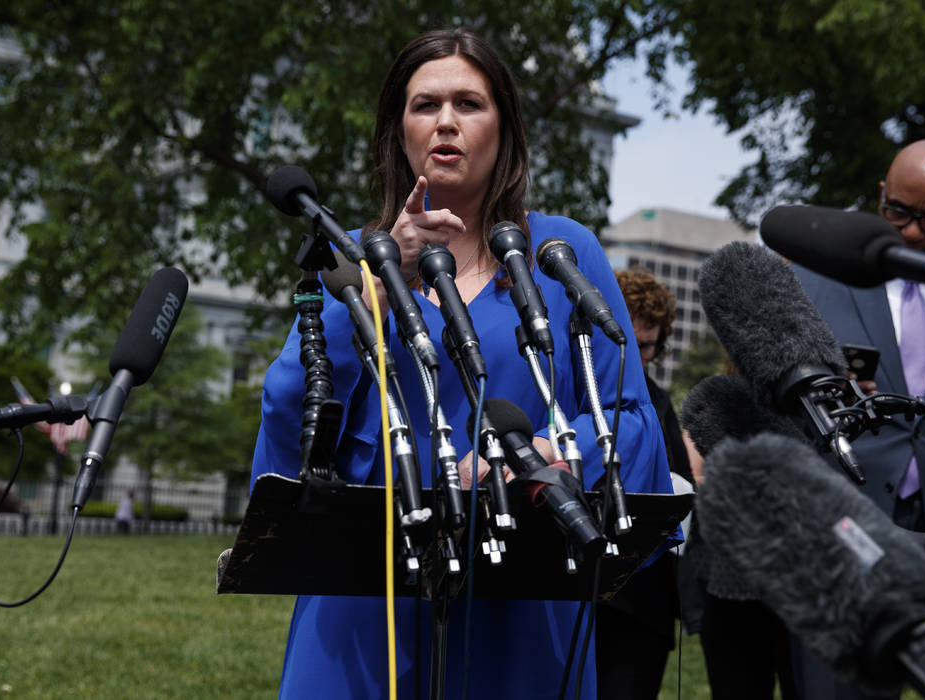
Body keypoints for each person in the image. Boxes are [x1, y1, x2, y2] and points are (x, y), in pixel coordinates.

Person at [250, 28, 674, 699]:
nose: (446, 122)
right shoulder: (354, 260)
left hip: (525, 602)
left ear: (505, 129)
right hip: (366, 611)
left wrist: (547, 457)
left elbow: (629, 418)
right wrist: (378, 286)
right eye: (425, 105)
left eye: (469, 104)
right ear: (399, 132)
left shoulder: (562, 252)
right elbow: (287, 418)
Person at [793, 138, 925, 698]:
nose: (912, 233)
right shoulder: (815, 281)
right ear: (880, 195)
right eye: (897, 211)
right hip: (845, 541)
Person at [594, 269, 694, 699]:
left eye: (647, 346)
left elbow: (680, 487)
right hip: (577, 592)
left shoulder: (658, 403)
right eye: (627, 341)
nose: (636, 355)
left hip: (640, 603)